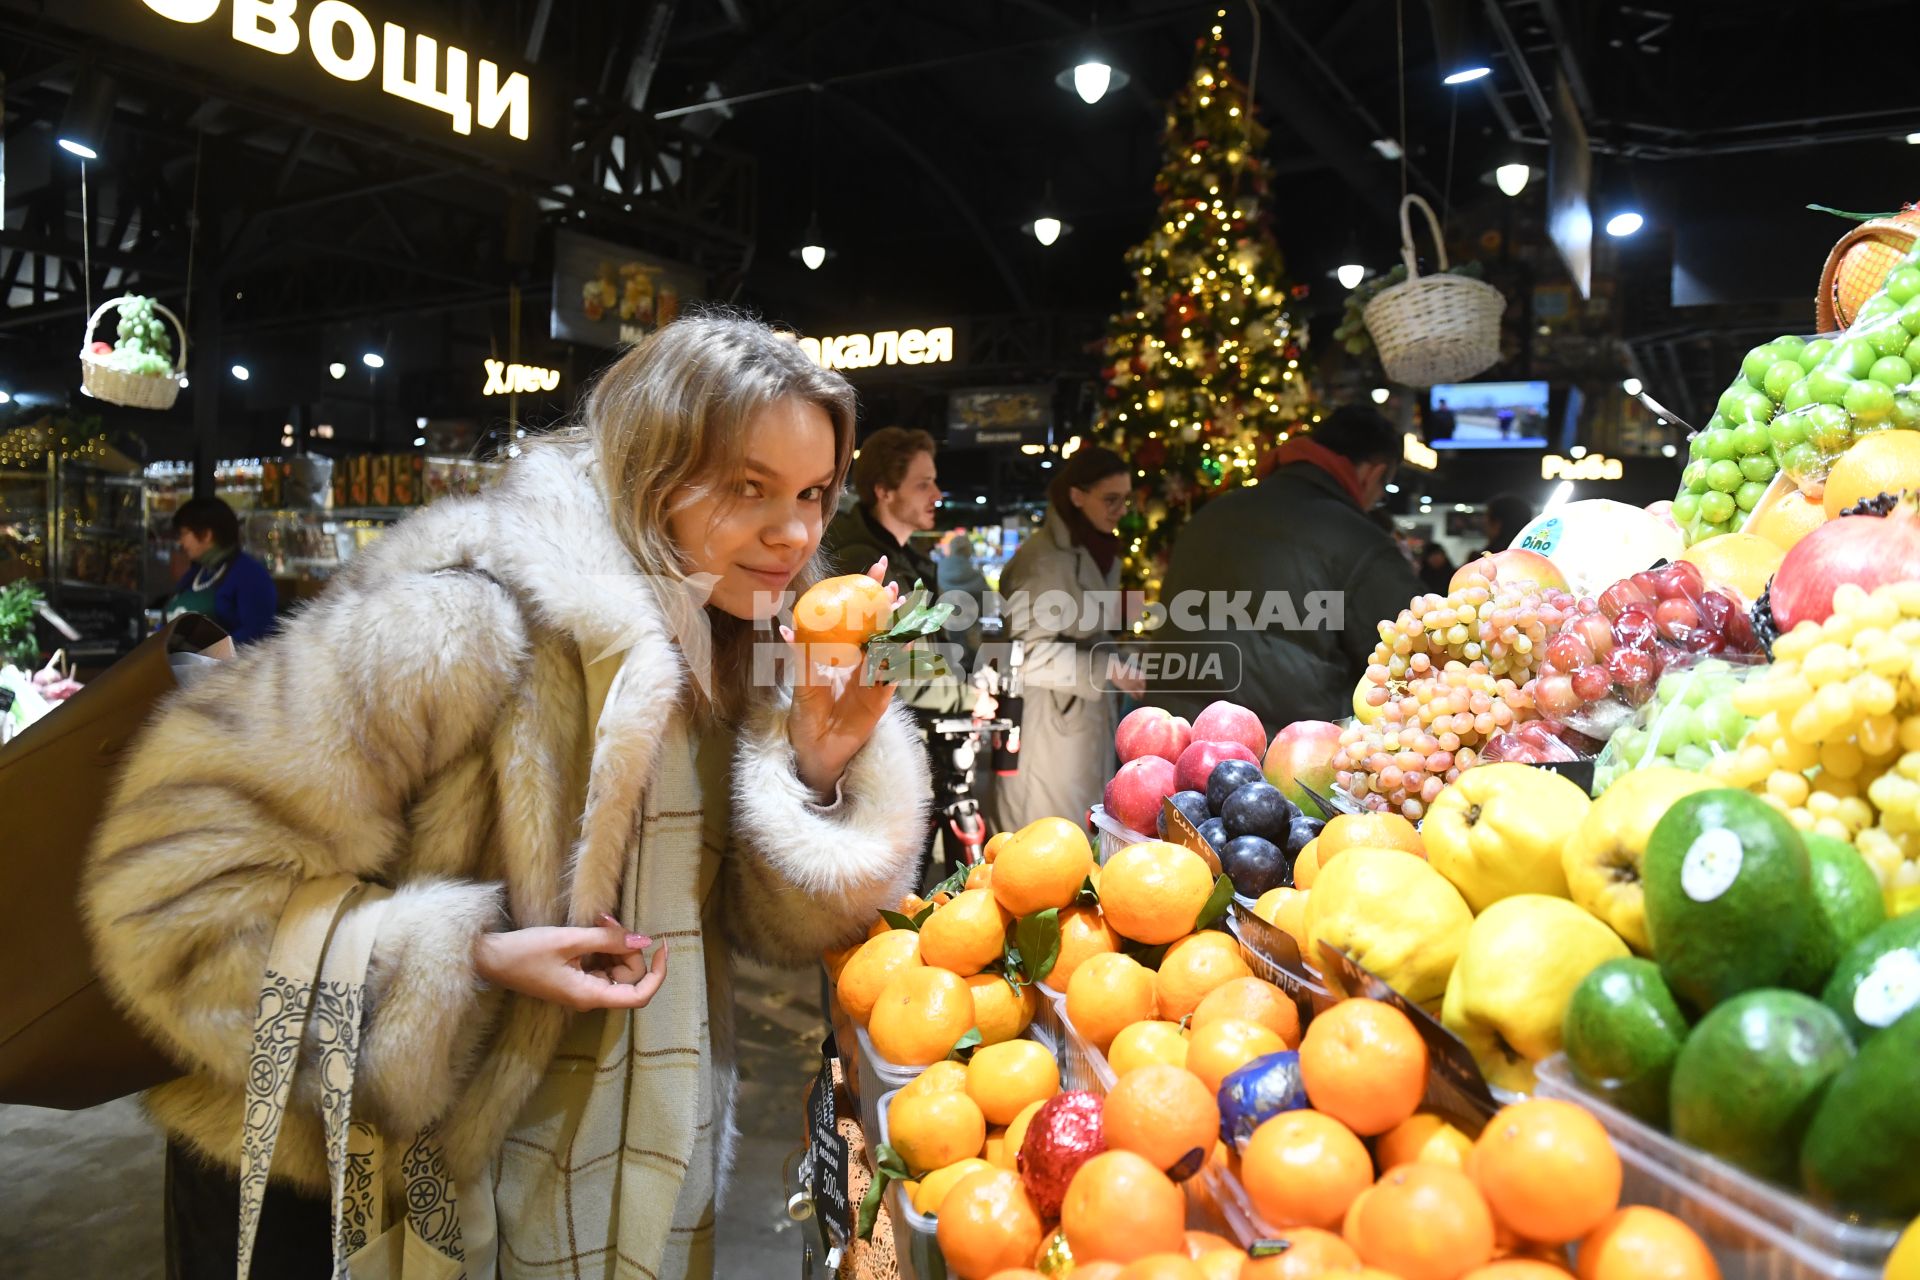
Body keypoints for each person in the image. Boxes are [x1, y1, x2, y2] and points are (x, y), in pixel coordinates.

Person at [83, 313, 931, 1280]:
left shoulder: (734, 648)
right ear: (650, 470)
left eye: (814, 493)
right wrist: (470, 955)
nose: (796, 534)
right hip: (376, 1187)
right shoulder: (461, 618)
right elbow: (169, 900)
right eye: (749, 487)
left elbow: (757, 924)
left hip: (614, 1171)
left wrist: (814, 770)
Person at [1143, 405, 1425, 734]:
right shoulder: (1360, 542)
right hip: (1274, 754)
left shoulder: (1212, 514)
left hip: (1176, 737)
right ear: (1374, 474)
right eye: (1383, 493)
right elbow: (1412, 654)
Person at [825, 428, 972, 865]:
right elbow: (896, 669)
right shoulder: (865, 564)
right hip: (873, 761)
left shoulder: (902, 559)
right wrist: (968, 695)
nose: (937, 494)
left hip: (899, 750)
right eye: (922, 484)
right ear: (884, 491)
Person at [986, 446, 1137, 833]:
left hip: (1078, 722)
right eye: (1110, 499)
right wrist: (1107, 667)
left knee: (1072, 840)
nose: (1121, 509)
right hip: (1046, 729)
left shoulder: (1095, 550)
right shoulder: (1045, 560)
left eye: (1125, 499)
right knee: (1042, 844)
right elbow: (1026, 654)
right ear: (1077, 496)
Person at [163, 496, 279, 645]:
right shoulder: (197, 573)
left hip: (223, 667)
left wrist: (208, 654)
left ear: (206, 534)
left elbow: (257, 634)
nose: (181, 542)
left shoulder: (251, 576)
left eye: (184, 533)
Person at [1480, 492, 1535, 559]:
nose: (1484, 525)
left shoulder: (1482, 562)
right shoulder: (1535, 557)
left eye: (1486, 520)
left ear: (1497, 524)